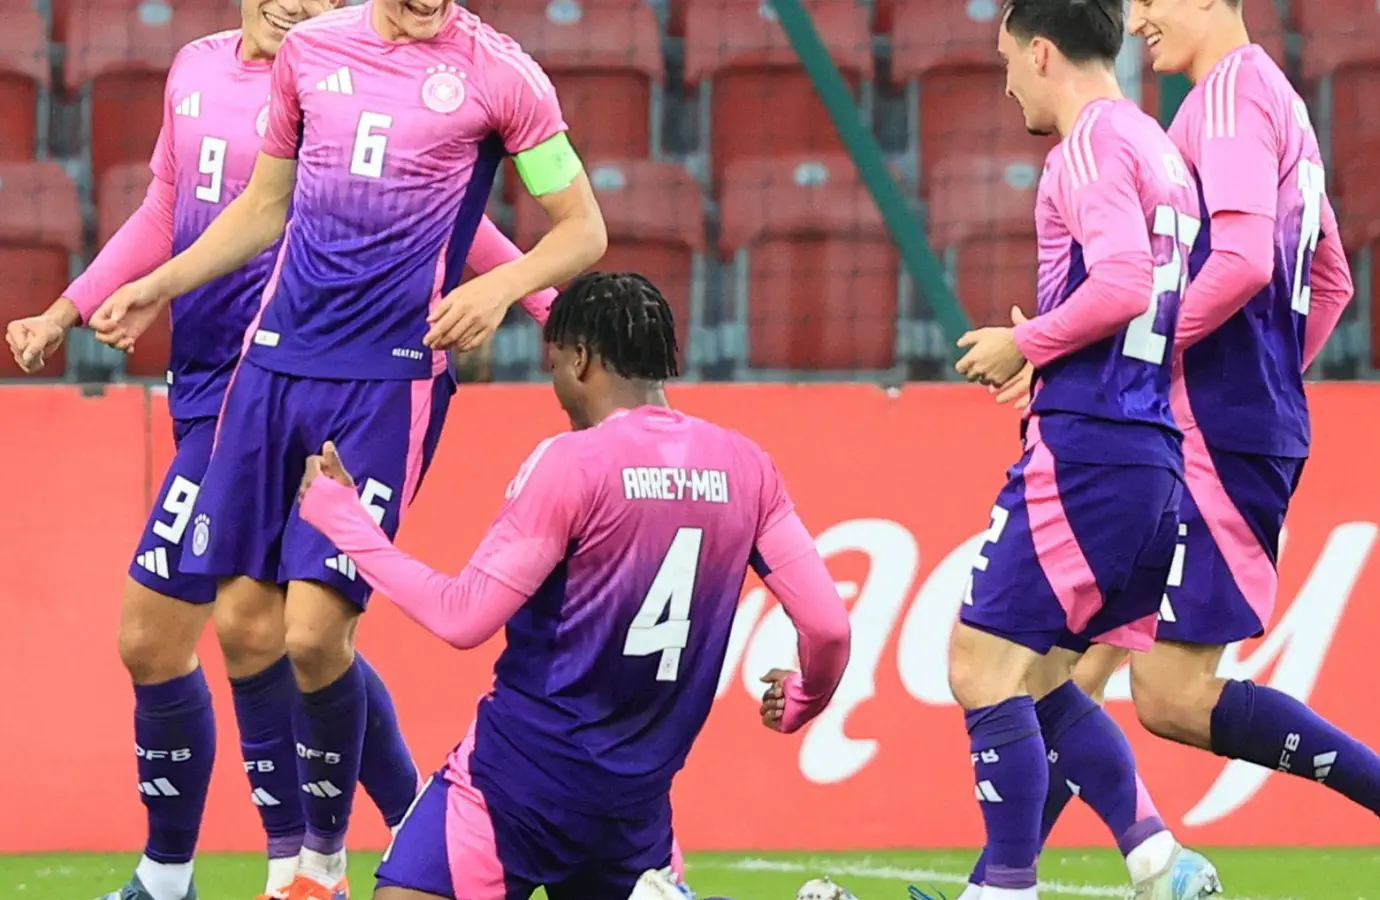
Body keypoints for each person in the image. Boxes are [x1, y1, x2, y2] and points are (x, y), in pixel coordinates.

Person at [3, 2, 550, 899]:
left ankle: (237, 870)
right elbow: (164, 209)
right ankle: (381, 824)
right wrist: (74, 308)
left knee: (224, 630)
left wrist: (537, 301)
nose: (294, 2)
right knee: (266, 629)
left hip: (275, 387)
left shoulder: (371, 76)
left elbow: (454, 209)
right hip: (210, 386)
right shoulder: (198, 69)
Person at [1040, 5, 1380, 900]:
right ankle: (1000, 880)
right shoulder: (1267, 99)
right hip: (1221, 426)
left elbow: (1240, 262)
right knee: (1078, 661)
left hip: (1212, 436)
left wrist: (1165, 359)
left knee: (1157, 689)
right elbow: (1332, 280)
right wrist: (1270, 377)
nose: (1139, 20)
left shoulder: (1231, 94)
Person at [296, 272, 853, 900]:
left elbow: (462, 618)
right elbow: (830, 627)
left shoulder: (572, 462)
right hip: (631, 811)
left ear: (582, 359)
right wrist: (806, 695)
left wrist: (345, 521)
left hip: (517, 786)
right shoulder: (748, 468)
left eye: (556, 363)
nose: (556, 385)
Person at [944, 2, 1221, 899]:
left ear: (1041, 51)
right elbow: (1151, 303)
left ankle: (1006, 888)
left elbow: (1124, 279)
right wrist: (1056, 352)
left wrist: (1025, 347)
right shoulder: (1160, 151)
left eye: (1008, 63)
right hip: (1150, 450)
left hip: (1088, 453)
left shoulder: (1090, 146)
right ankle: (1158, 862)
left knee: (979, 666)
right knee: (1053, 677)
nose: (1008, 82)